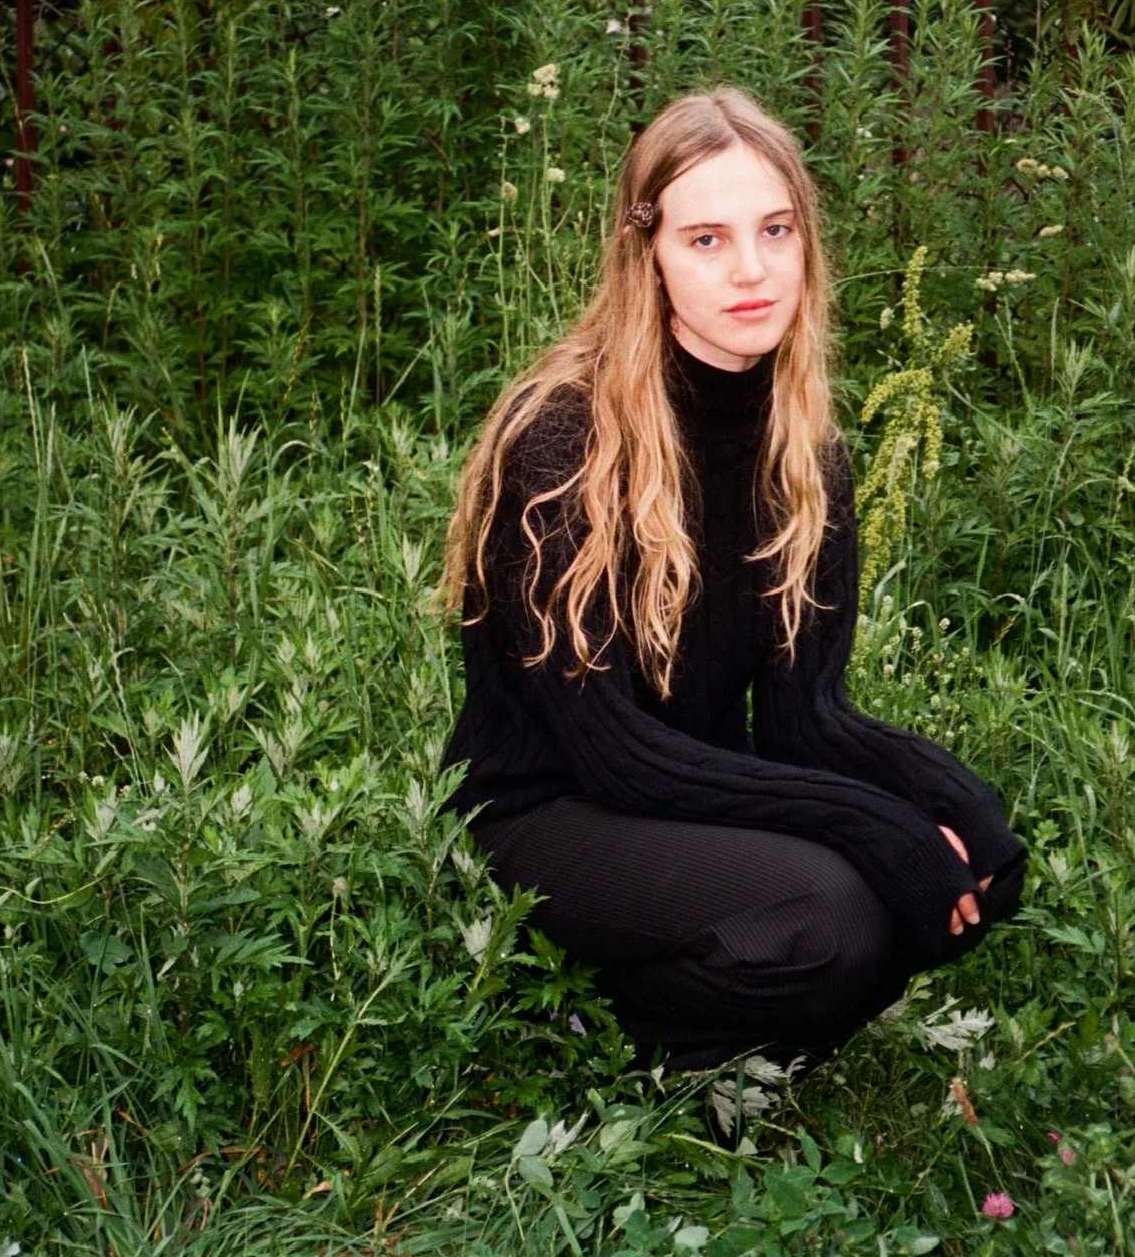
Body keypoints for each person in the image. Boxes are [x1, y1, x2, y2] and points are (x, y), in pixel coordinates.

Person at [439, 85, 1025, 1074]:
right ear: (649, 256)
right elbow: (616, 754)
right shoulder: (562, 442)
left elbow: (805, 720)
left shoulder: (804, 451)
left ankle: (713, 1021)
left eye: (775, 230)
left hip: (685, 791)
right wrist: (873, 825)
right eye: (706, 239)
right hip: (547, 812)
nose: (752, 269)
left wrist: (955, 803)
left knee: (961, 867)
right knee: (834, 915)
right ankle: (572, 1024)